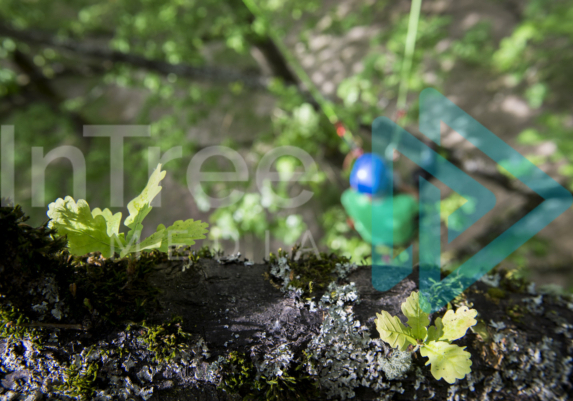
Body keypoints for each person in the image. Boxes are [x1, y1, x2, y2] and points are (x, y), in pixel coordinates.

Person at [341, 153, 418, 248]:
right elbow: (416, 196)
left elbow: (354, 187)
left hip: (373, 239)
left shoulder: (348, 198)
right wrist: (402, 186)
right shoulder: (404, 205)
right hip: (402, 238)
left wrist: (359, 162)